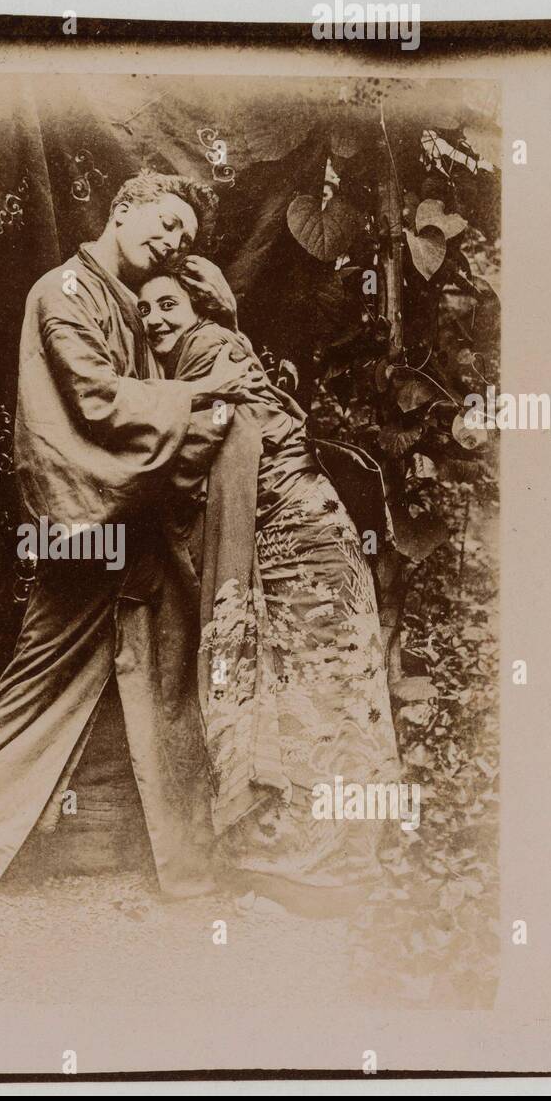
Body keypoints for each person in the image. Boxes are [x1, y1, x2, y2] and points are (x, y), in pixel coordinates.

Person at [0, 173, 265, 917]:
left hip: (143, 519)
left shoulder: (136, 303)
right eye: (162, 226)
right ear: (121, 211)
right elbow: (95, 400)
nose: (171, 243)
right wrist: (204, 399)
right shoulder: (64, 291)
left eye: (184, 239)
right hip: (89, 524)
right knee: (36, 687)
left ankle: (185, 866)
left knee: (167, 684)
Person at [137, 255, 404, 919]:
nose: (154, 319)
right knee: (311, 700)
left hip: (305, 545)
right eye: (144, 310)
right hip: (299, 542)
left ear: (200, 305)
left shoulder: (212, 350)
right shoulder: (204, 359)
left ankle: (324, 876)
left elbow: (188, 454)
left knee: (319, 700)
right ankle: (311, 870)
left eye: (167, 304)